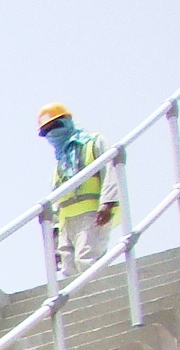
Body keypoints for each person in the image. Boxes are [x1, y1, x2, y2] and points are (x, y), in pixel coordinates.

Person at [37, 103, 121, 273]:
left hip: (92, 215)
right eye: (47, 131)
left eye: (55, 126)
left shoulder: (93, 142)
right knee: (69, 270)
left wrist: (108, 202)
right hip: (66, 224)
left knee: (86, 261)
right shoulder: (60, 166)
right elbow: (57, 202)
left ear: (67, 122)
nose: (52, 133)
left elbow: (110, 169)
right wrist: (54, 236)